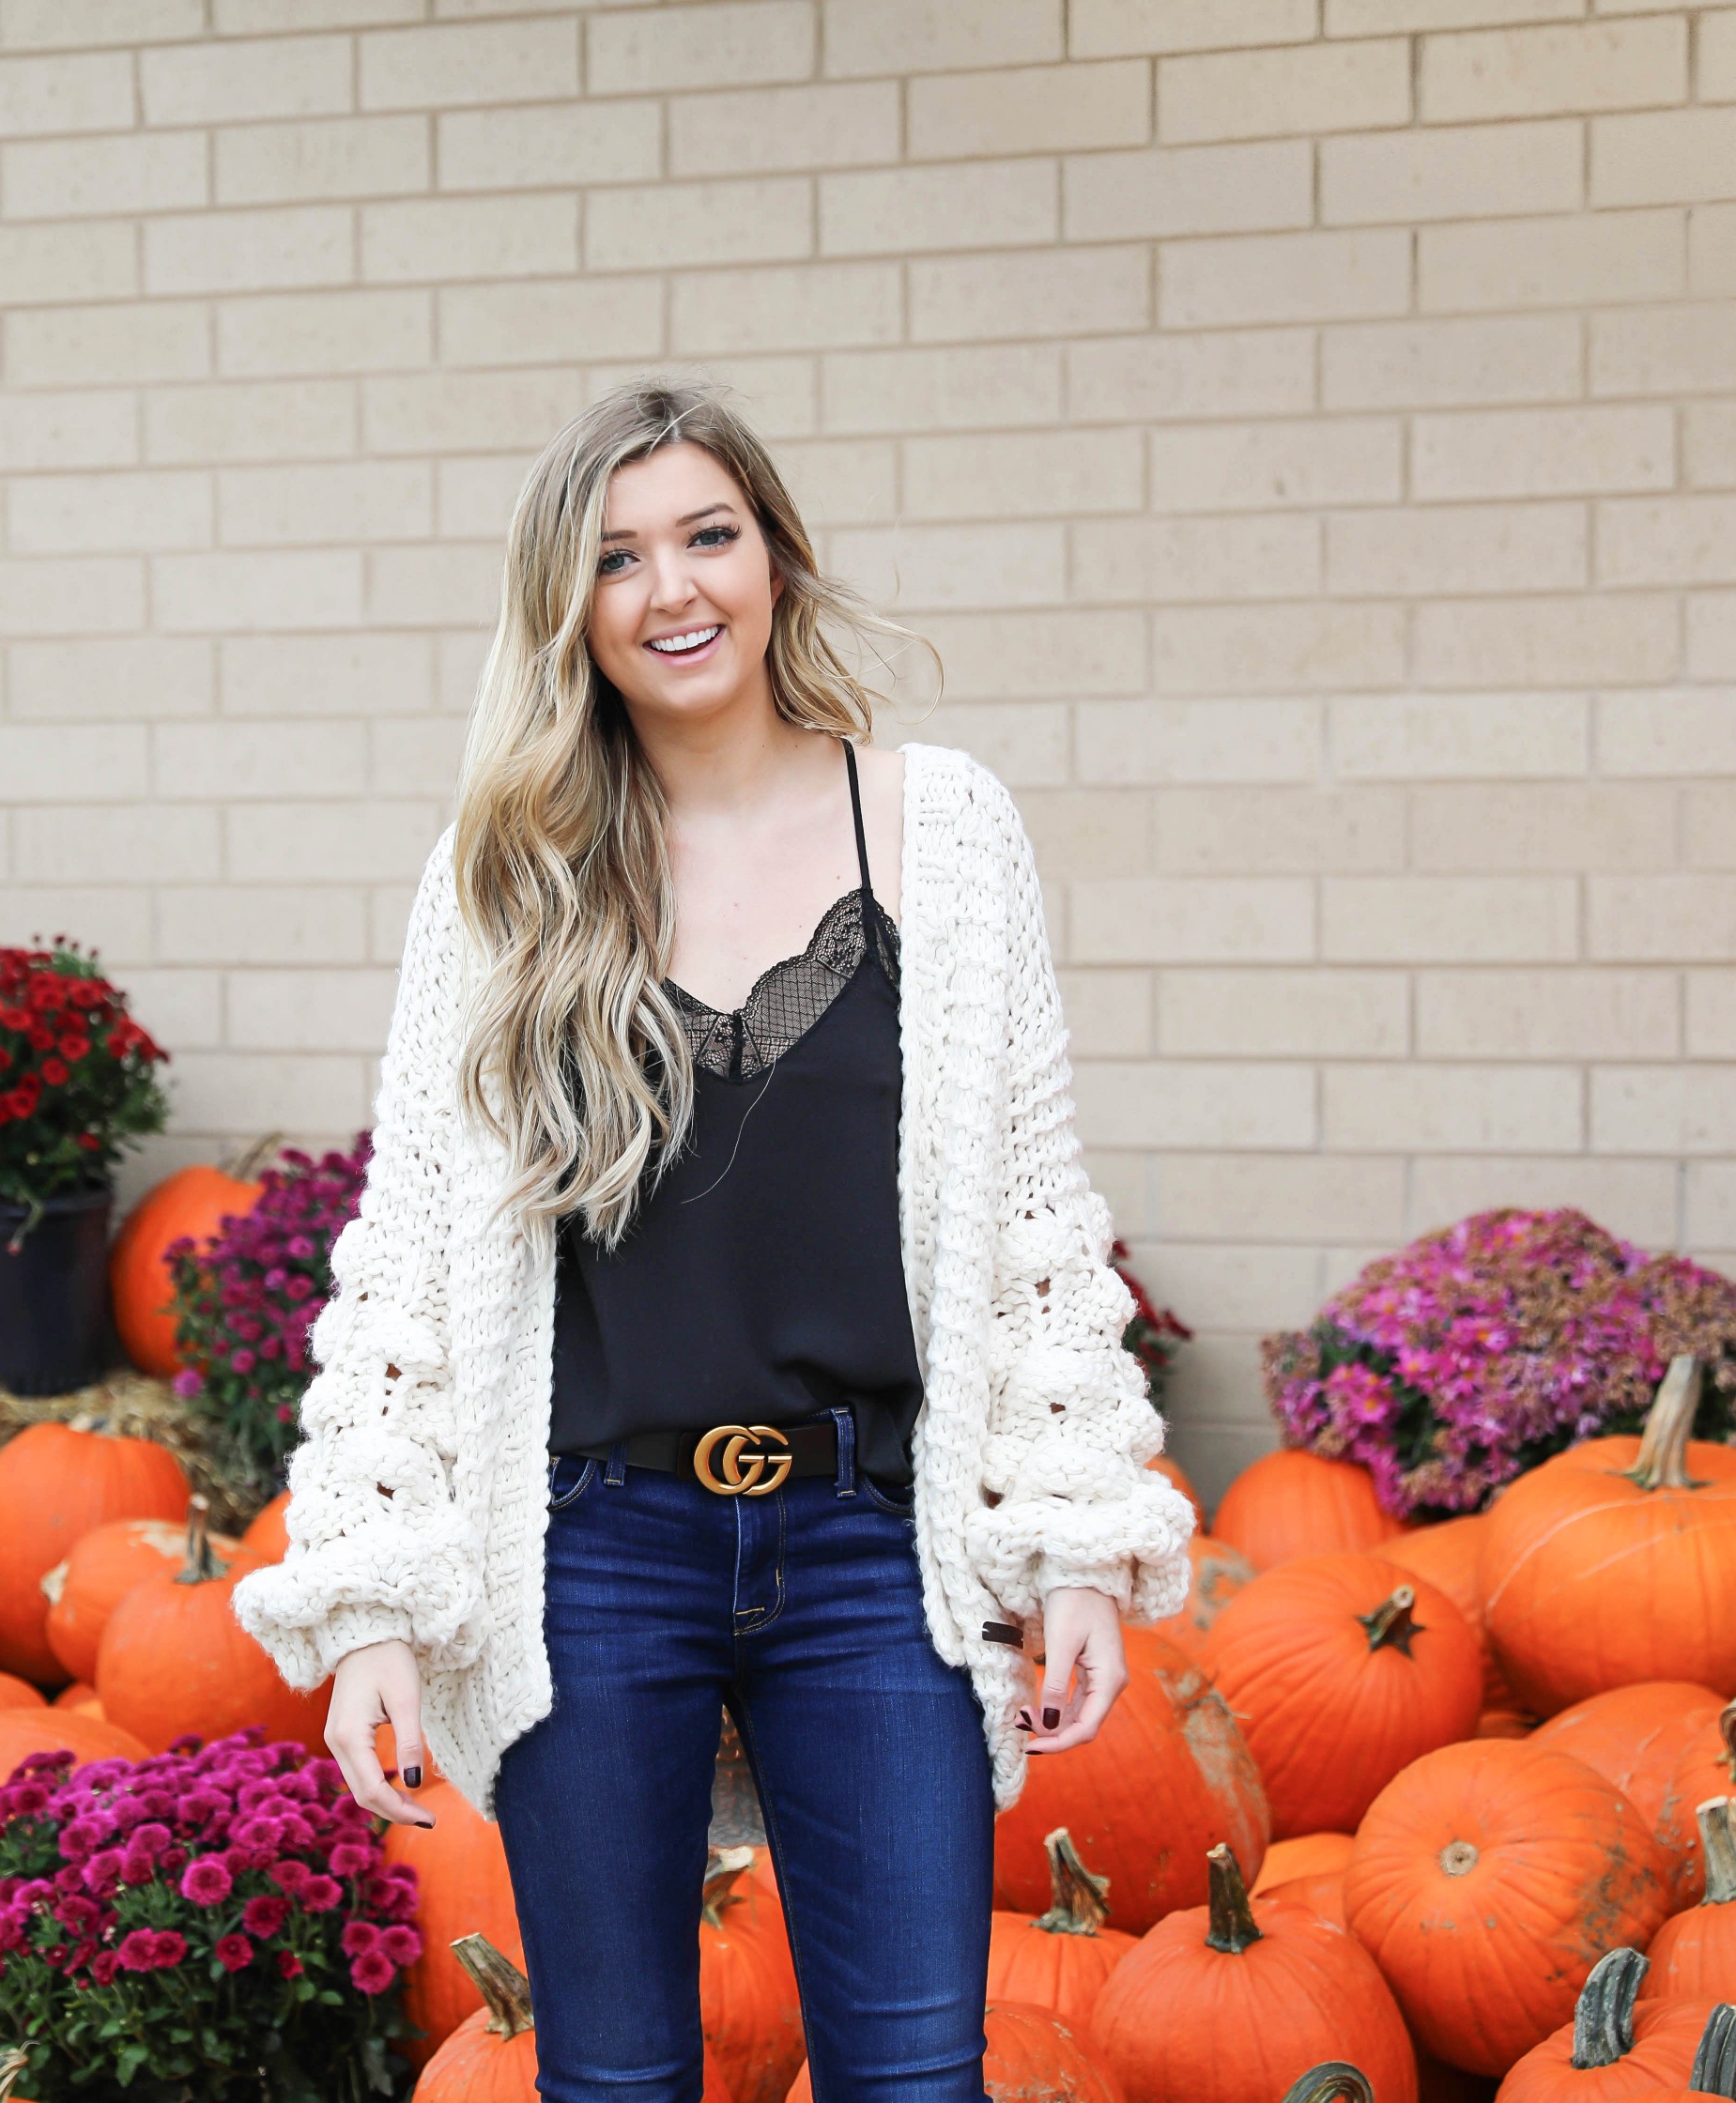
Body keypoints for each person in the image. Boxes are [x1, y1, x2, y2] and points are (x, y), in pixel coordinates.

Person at [232, 379, 1191, 2103]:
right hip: (595, 1551)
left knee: (913, 2075)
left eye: (707, 536)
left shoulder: (944, 834)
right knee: (614, 2081)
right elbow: (415, 1251)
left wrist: (1067, 1543)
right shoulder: (501, 878)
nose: (673, 589)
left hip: (869, 1547)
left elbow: (1033, 1217)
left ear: (773, 560)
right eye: (618, 558)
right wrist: (371, 1593)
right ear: (569, 611)